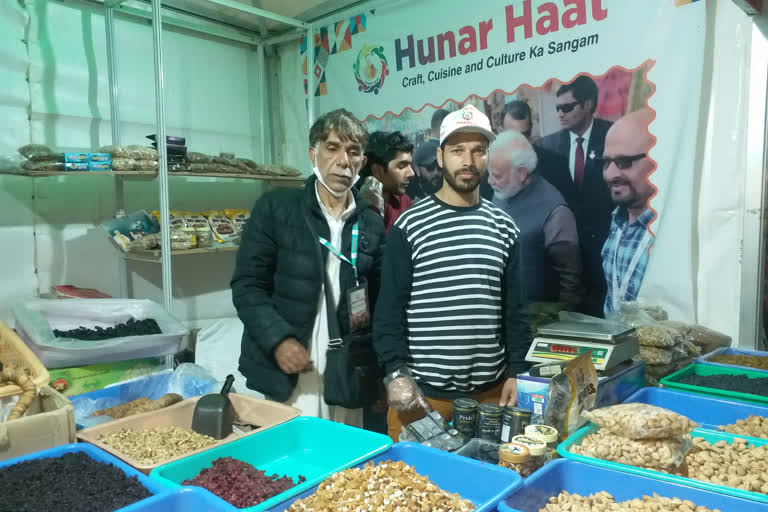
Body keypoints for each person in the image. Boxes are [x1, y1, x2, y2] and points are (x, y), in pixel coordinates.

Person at [373, 104, 531, 441]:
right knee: (416, 490)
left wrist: (518, 371)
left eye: (478, 151)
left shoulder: (503, 226)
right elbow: (388, 311)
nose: (468, 161)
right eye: (457, 150)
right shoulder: (410, 226)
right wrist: (395, 372)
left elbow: (515, 311)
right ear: (441, 156)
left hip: (491, 397)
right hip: (423, 397)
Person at [231, 109, 386, 428]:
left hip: (347, 368)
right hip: (291, 366)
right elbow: (248, 286)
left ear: (361, 162)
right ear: (313, 153)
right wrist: (278, 340)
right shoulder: (277, 209)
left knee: (343, 460)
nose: (343, 160)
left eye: (353, 151)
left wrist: (379, 373)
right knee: (290, 458)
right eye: (332, 148)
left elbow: (380, 303)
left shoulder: (370, 222)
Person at [539, 75, 614, 316]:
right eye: (558, 108)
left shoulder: (611, 136)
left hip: (604, 245)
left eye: (567, 107)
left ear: (588, 104)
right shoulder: (548, 146)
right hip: (566, 252)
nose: (561, 114)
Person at [488, 130, 584, 314]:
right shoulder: (504, 191)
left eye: (497, 175)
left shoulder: (556, 212)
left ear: (522, 173)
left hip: (536, 322)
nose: (490, 181)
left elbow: (571, 283)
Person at [601, 109, 656, 314]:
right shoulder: (618, 221)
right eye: (606, 162)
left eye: (625, 162)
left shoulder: (672, 229)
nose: (611, 174)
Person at [501, 100, 577, 209]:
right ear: (500, 132)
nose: (520, 142)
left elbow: (573, 210)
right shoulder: (492, 172)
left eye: (525, 134)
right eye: (513, 136)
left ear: (531, 128)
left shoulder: (557, 165)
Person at [357, 131, 415, 233]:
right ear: (377, 171)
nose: (411, 173)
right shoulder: (353, 207)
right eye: (402, 166)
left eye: (410, 165)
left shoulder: (404, 203)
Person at [407, 109, 449, 201]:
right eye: (430, 168)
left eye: (439, 168)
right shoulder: (445, 152)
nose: (436, 172)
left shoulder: (419, 151)